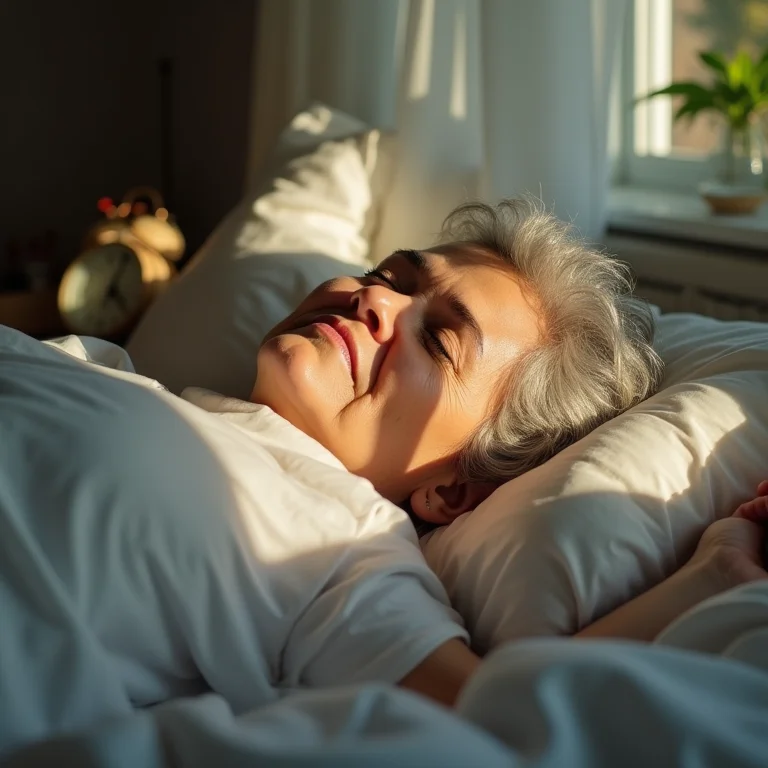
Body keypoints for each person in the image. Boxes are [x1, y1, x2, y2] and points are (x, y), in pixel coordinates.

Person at [0, 198, 764, 757]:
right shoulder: (126, 378)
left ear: (453, 490)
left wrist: (712, 571)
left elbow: (490, 711)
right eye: (385, 275)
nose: (375, 300)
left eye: (437, 340)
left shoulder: (342, 547)